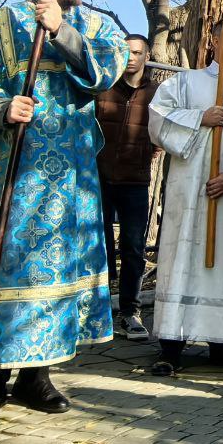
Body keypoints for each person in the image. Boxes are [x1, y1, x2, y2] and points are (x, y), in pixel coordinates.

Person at [0, 0, 128, 423]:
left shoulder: (96, 25)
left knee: (57, 268)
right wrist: (2, 108)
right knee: (7, 267)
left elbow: (108, 70)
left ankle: (37, 376)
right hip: (14, 168)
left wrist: (61, 31)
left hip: (70, 176)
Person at [148, 19, 223, 376]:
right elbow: (157, 119)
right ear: (214, 41)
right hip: (187, 189)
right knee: (180, 258)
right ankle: (171, 344)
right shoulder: (184, 82)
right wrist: (200, 118)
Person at [95, 33, 158, 342]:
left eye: (136, 52)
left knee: (133, 247)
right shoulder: (103, 87)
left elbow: (161, 129)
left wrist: (149, 148)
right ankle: (99, 307)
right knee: (99, 244)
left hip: (135, 180)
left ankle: (130, 311)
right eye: (126, 52)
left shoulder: (156, 93)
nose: (130, 58)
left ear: (146, 56)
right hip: (99, 179)